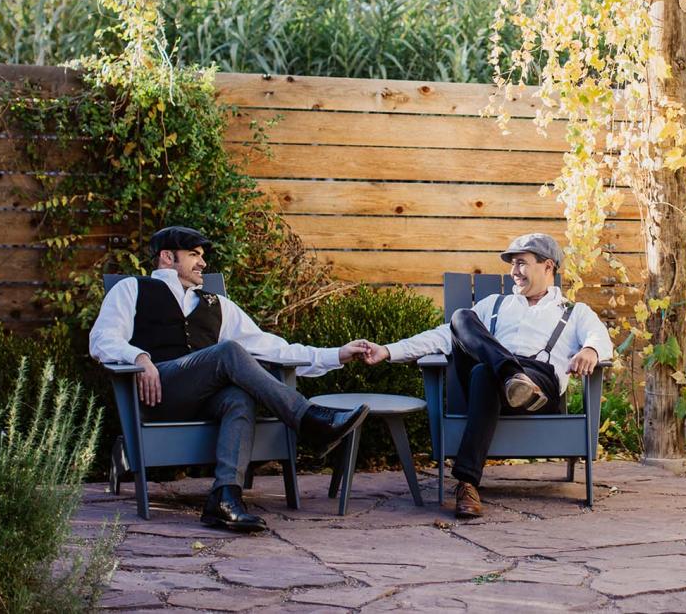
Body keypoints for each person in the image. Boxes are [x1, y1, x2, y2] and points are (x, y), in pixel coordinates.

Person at [89, 226, 370, 533]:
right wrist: (139, 358)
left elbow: (274, 348)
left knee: (239, 396)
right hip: (157, 393)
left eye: (202, 256)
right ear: (167, 257)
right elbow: (102, 339)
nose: (202, 263)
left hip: (201, 400)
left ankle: (225, 499)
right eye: (193, 255)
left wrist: (336, 355)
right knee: (230, 351)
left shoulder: (216, 304)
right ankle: (308, 420)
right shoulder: (132, 288)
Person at [355, 233, 612, 519]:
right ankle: (510, 375)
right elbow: (442, 336)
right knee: (461, 319)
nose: (514, 272)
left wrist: (590, 350)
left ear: (548, 265)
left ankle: (467, 482)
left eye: (521, 263)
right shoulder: (495, 304)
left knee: (484, 372)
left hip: (538, 388)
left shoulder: (574, 312)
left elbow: (599, 337)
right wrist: (387, 350)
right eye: (512, 264)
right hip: (491, 384)